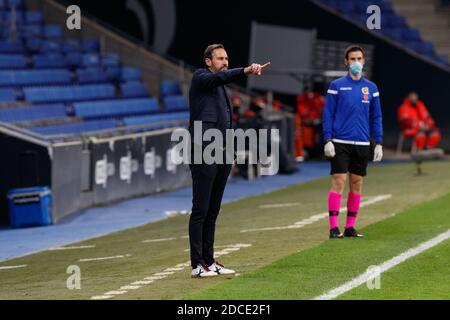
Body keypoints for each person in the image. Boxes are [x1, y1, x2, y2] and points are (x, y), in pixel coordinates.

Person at [188, 43, 270, 277]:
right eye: (221, 58)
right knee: (201, 210)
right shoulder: (200, 77)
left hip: (221, 150)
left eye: (227, 58)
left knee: (213, 210)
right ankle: (197, 265)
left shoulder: (221, 85)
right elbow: (219, 78)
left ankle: (209, 261)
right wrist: (246, 70)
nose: (225, 62)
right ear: (208, 61)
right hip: (203, 149)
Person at [322, 45, 383, 239]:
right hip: (340, 141)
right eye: (352, 59)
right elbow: (328, 114)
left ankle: (350, 226)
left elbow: (376, 116)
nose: (356, 62)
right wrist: (327, 139)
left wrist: (379, 142)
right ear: (346, 62)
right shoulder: (337, 86)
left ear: (364, 61)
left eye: (359, 59)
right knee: (338, 181)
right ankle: (333, 227)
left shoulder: (371, 88)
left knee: (356, 183)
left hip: (363, 143)